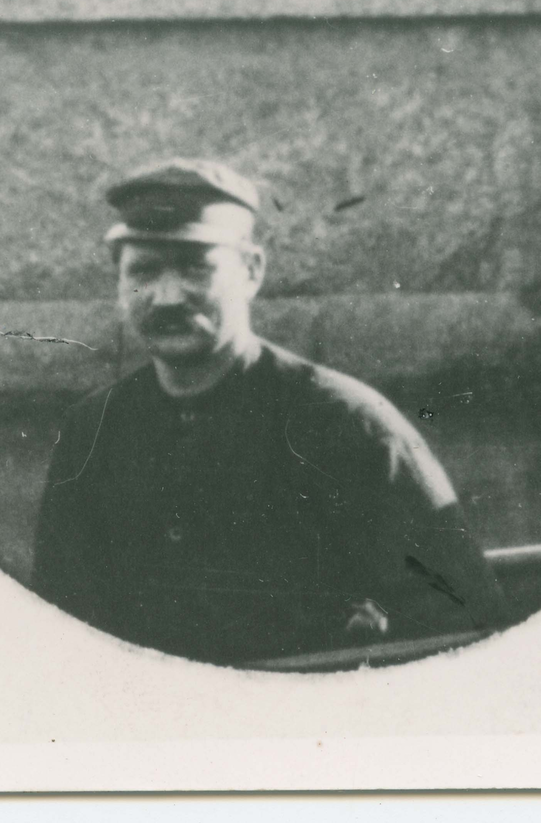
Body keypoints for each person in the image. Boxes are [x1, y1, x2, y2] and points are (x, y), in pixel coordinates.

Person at [31, 159, 506, 667]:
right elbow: (62, 621)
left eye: (195, 268)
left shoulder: (345, 425)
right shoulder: (92, 430)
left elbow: (463, 619)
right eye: (144, 271)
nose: (167, 297)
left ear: (252, 271)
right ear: (119, 285)